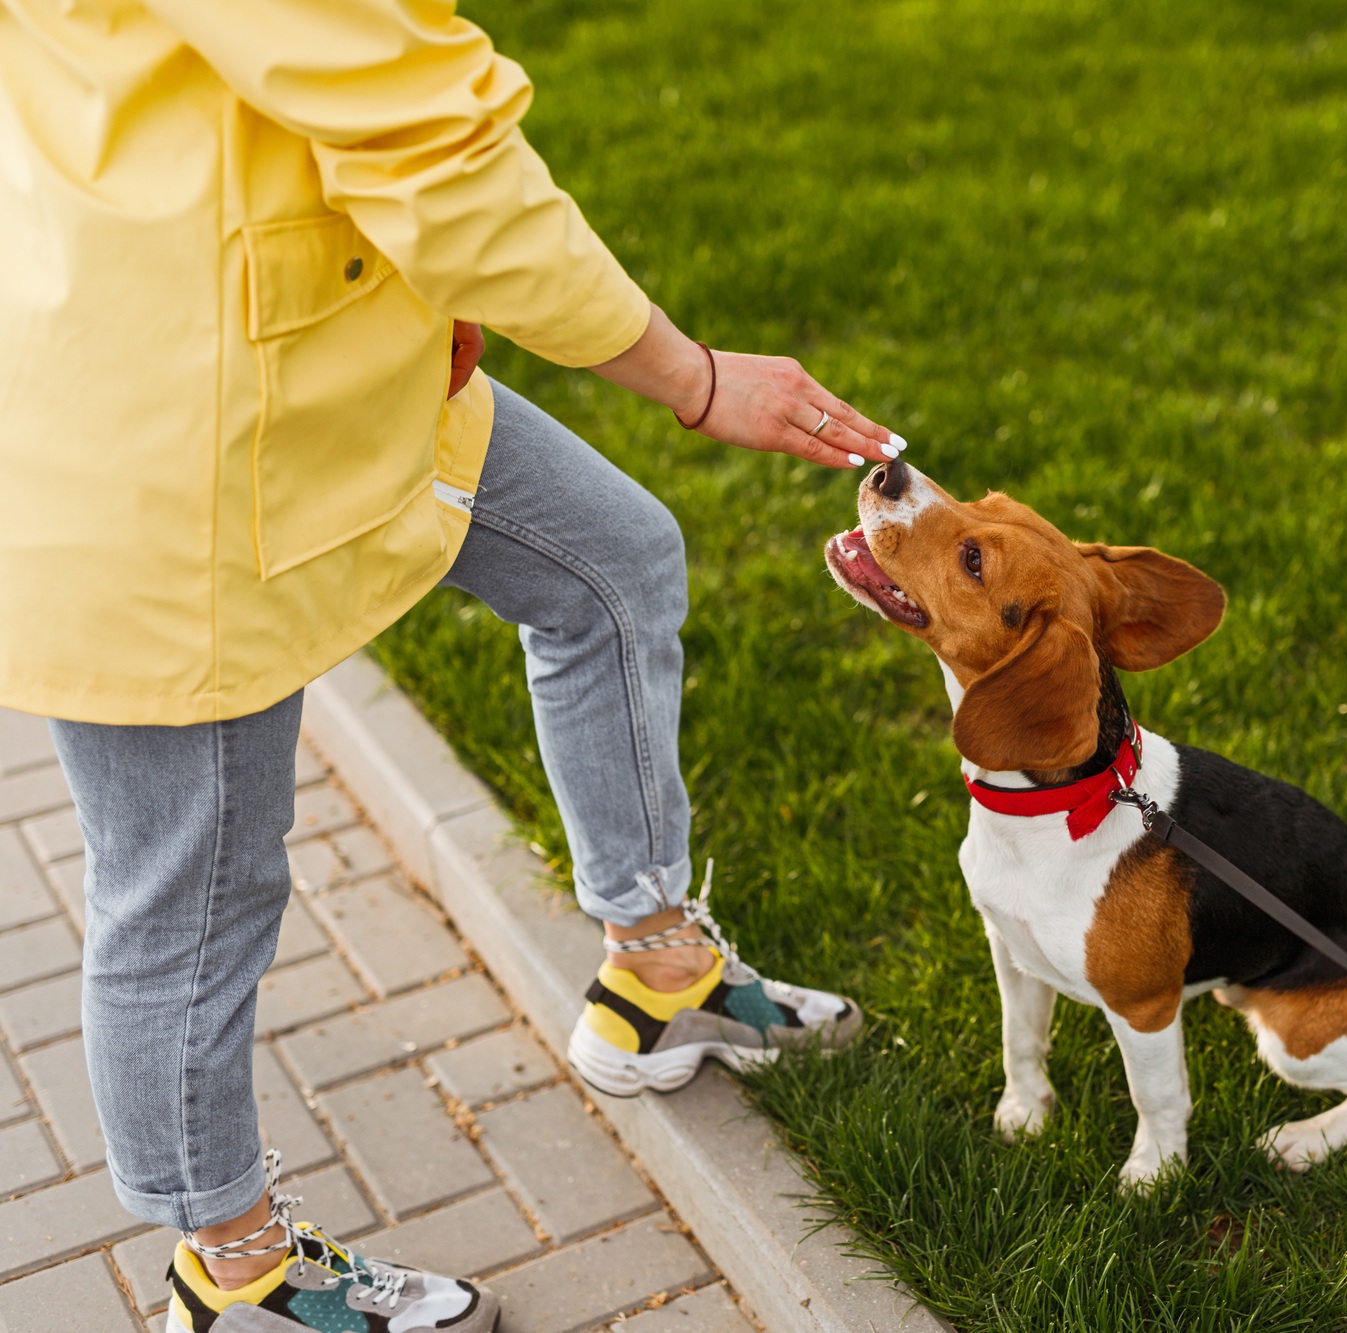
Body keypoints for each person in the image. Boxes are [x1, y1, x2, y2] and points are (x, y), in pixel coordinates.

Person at [0, 2, 890, 1328]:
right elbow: (433, 149)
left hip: (324, 365)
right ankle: (234, 1271)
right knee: (189, 884)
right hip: (165, 444)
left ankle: (658, 974)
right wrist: (694, 378)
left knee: (611, 564)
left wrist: (413, 293)